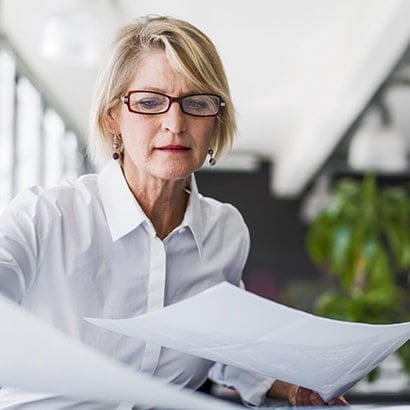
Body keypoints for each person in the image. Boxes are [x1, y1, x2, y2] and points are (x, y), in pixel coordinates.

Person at [0, 15, 348, 409]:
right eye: (149, 103)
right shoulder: (46, 217)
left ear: (216, 121)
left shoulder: (224, 232)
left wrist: (291, 386)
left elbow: (221, 342)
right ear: (112, 117)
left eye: (197, 103)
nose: (175, 124)